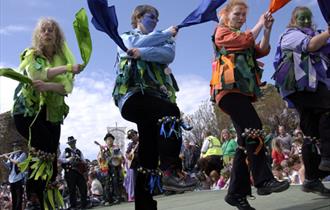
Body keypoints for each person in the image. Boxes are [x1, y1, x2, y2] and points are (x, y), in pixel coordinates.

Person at [209, 0, 289, 209]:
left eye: (244, 15)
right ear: (226, 16)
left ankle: (236, 193)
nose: (242, 18)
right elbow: (244, 40)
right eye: (237, 14)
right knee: (253, 126)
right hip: (228, 91)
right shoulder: (222, 32)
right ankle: (263, 180)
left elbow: (260, 50)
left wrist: (267, 30)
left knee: (245, 141)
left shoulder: (244, 36)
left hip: (242, 92)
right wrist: (260, 23)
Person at [113, 4, 194, 210]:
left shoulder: (165, 41)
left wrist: (142, 52)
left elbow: (167, 55)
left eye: (158, 19)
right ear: (138, 18)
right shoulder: (125, 36)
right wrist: (164, 34)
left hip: (154, 98)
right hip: (132, 97)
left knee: (148, 151)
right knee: (170, 112)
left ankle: (145, 204)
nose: (156, 21)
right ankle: (171, 171)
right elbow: (130, 45)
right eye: (152, 17)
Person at [10, 18, 82, 210]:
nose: (48, 32)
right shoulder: (32, 54)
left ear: (57, 35)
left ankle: (44, 200)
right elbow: (36, 76)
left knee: (51, 153)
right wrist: (67, 70)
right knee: (42, 148)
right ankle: (33, 197)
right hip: (27, 112)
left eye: (52, 30)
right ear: (39, 35)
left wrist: (50, 85)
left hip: (52, 114)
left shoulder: (62, 57)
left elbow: (66, 88)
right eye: (44, 30)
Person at [273, 6, 330, 196]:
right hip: (300, 87)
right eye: (301, 18)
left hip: (315, 87)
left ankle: (312, 179)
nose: (305, 21)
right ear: (293, 20)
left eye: (308, 18)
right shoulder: (290, 35)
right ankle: (328, 155)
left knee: (310, 134)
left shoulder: (320, 35)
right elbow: (310, 45)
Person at [59, 136, 89, 209]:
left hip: (79, 172)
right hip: (70, 172)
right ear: (69, 143)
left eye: (73, 142)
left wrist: (80, 161)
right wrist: (69, 159)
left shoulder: (79, 151)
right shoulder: (66, 151)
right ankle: (73, 206)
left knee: (83, 188)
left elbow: (84, 161)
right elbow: (60, 159)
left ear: (75, 142)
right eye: (70, 142)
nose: (72, 143)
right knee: (72, 189)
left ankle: (84, 205)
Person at [97, 133, 123, 205]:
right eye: (108, 139)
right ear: (105, 141)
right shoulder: (103, 149)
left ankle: (118, 198)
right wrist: (102, 151)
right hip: (107, 167)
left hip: (115, 167)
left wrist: (115, 157)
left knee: (115, 182)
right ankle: (108, 199)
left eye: (111, 139)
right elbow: (101, 159)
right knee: (107, 183)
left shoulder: (116, 148)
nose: (110, 140)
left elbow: (121, 157)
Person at [2, 142, 27, 210]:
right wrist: (3, 160)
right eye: (14, 147)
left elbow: (17, 162)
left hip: (19, 178)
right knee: (14, 197)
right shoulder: (12, 155)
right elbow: (7, 166)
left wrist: (8, 158)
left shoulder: (23, 154)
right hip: (11, 179)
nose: (15, 148)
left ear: (20, 147)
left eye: (16, 147)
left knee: (19, 198)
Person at [124, 129, 139, 202]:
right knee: (134, 180)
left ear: (136, 134)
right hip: (134, 164)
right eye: (131, 137)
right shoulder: (131, 144)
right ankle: (133, 195)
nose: (132, 137)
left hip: (141, 163)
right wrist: (128, 156)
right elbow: (126, 153)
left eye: (133, 135)